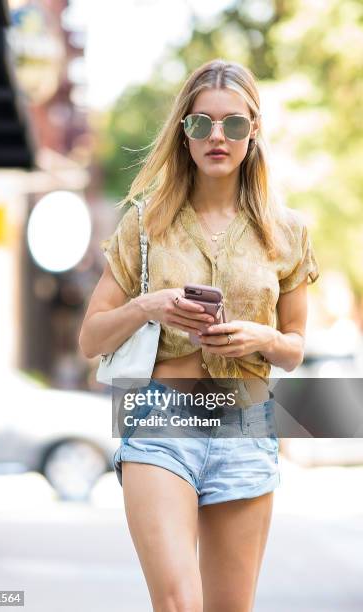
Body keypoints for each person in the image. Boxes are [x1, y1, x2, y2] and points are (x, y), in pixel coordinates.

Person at [79, 59, 319, 612]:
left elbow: (295, 347)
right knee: (178, 603)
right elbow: (91, 338)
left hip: (245, 425)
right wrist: (150, 306)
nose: (218, 137)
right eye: (201, 123)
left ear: (253, 131)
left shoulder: (286, 230)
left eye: (233, 124)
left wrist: (259, 336)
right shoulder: (146, 223)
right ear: (183, 132)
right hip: (163, 421)